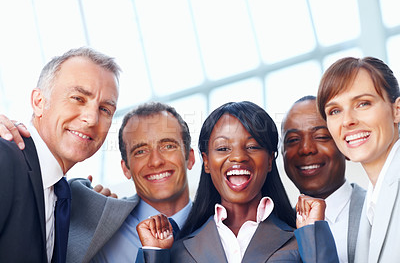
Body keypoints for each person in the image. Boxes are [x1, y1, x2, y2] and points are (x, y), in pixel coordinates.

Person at [136, 101, 339, 263]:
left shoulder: (300, 240)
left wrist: (313, 233)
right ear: (206, 162)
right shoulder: (178, 251)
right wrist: (154, 253)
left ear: (270, 160)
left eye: (252, 147)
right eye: (223, 148)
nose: (238, 157)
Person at [0, 47, 120, 263]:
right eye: (78, 98)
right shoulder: (5, 159)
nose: (92, 119)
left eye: (105, 110)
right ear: (39, 102)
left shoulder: (60, 195)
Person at [66, 102, 195, 263]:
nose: (156, 161)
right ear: (125, 168)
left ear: (190, 158)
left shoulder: (220, 225)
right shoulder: (99, 229)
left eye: (168, 146)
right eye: (140, 151)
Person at [317, 57, 400, 262]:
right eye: (335, 111)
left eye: (363, 103)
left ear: (396, 110)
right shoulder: (371, 201)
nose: (347, 121)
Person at [281, 95, 366, 263]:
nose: (306, 149)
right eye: (293, 140)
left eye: (321, 136)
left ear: (344, 144)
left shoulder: (378, 209)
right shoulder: (277, 229)